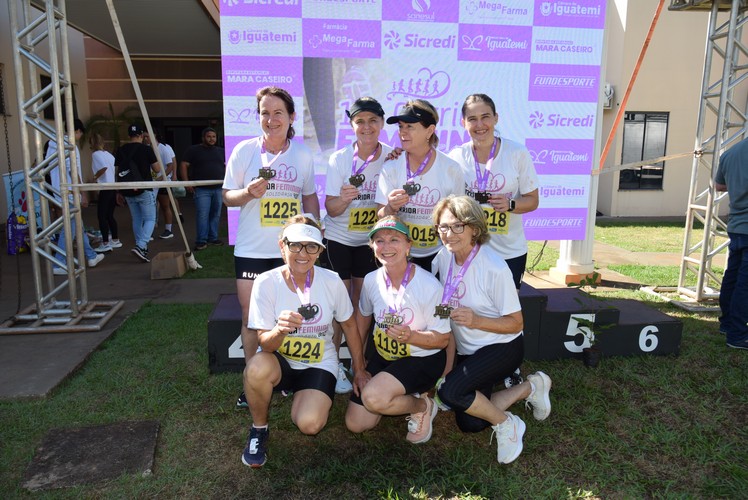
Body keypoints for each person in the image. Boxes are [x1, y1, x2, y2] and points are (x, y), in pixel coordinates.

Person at [431, 195, 551, 464]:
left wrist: (477, 321)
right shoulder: (443, 258)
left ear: (475, 228)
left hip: (502, 347)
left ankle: (508, 425)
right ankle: (531, 387)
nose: (449, 234)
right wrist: (448, 367)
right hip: (468, 350)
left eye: (457, 226)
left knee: (450, 393)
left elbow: (516, 323)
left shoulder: (494, 268)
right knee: (470, 422)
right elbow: (446, 318)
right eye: (443, 227)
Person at [241, 215, 367, 468]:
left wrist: (360, 369)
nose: (303, 253)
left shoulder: (331, 280)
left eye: (311, 247)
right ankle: (259, 429)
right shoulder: (266, 282)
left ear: (319, 251)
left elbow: (350, 325)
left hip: (319, 363)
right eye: (295, 245)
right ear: (282, 246)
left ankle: (303, 393)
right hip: (280, 361)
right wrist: (279, 329)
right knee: (255, 368)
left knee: (310, 425)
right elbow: (265, 344)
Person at [223, 86, 321, 409]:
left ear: (291, 117)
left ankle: (284, 376)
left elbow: (308, 197)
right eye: (265, 112)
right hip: (251, 250)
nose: (271, 119)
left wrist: (315, 233)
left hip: (292, 253)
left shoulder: (303, 155)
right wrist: (249, 193)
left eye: (278, 112)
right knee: (252, 319)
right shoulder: (244, 152)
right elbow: (227, 196)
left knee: (288, 317)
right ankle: (252, 383)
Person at [345, 216, 451, 443]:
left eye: (395, 240)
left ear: (408, 246)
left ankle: (423, 405)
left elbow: (443, 339)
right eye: (379, 241)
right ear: (372, 247)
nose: (387, 247)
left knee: (373, 399)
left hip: (421, 359)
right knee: (356, 423)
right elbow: (363, 319)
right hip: (384, 356)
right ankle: (395, 392)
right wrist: (359, 366)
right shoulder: (371, 280)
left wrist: (411, 336)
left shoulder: (431, 285)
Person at [324, 97, 394, 394]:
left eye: (373, 121)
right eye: (360, 121)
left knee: (361, 305)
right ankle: (332, 364)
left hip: (371, 242)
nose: (367, 127)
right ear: (352, 125)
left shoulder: (393, 157)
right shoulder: (339, 159)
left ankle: (358, 361)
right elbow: (331, 209)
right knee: (339, 304)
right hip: (339, 239)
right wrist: (344, 198)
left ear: (381, 123)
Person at [448, 94, 539, 289]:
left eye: (485, 116)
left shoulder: (517, 153)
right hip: (468, 250)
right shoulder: (456, 157)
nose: (480, 124)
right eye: (472, 119)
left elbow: (533, 201)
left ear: (496, 118)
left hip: (509, 252)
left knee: (506, 312)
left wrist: (511, 204)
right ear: (463, 123)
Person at [376, 99, 463, 270]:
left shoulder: (451, 168)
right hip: (401, 253)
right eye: (401, 126)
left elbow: (460, 217)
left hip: (441, 252)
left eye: (410, 127)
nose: (403, 132)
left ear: (430, 130)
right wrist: (390, 208)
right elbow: (380, 215)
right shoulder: (391, 166)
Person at [49, 118, 105, 274]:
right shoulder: (70, 146)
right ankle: (59, 263)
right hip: (69, 192)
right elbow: (73, 172)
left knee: (77, 226)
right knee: (70, 228)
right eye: (81, 134)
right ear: (78, 131)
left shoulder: (53, 143)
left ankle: (91, 255)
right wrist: (82, 193)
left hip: (58, 190)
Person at [715, 137, 748, 350]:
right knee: (744, 283)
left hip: (736, 224)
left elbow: (719, 185)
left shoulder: (731, 152)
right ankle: (737, 335)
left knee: (733, 277)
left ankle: (727, 324)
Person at [114, 124, 161, 263]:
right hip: (144, 188)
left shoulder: (121, 150)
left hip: (127, 189)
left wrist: (118, 191)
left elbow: (117, 171)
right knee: (150, 219)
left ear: (129, 135)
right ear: (142, 135)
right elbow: (157, 169)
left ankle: (142, 248)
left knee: (137, 219)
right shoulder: (146, 149)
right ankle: (141, 245)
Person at [180, 127, 225, 250]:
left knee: (215, 214)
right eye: (209, 136)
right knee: (203, 215)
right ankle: (201, 241)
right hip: (201, 190)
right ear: (203, 137)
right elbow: (184, 164)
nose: (211, 139)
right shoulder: (194, 150)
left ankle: (213, 238)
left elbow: (227, 166)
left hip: (218, 189)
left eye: (214, 137)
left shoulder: (221, 151)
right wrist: (186, 182)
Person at [144, 130, 180, 239]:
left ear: (154, 136)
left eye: (148, 136)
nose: (145, 138)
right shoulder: (146, 149)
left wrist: (161, 178)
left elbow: (170, 165)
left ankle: (168, 230)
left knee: (165, 206)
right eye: (144, 136)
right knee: (150, 207)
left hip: (163, 182)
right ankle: (148, 232)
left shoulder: (163, 148)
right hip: (151, 182)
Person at [89, 132, 121, 253]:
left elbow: (103, 168)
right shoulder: (109, 155)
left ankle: (105, 242)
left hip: (105, 188)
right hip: (112, 187)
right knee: (109, 216)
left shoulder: (95, 155)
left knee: (101, 216)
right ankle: (115, 239)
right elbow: (113, 168)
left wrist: (95, 177)